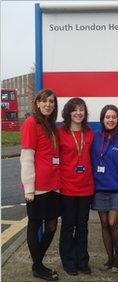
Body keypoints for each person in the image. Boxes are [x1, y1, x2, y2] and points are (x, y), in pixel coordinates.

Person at [20, 88, 60, 281]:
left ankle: (38, 263)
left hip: (54, 185)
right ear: (37, 103)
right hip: (37, 187)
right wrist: (29, 188)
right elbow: (27, 157)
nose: (48, 104)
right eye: (44, 101)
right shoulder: (31, 123)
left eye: (51, 102)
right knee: (34, 224)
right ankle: (38, 266)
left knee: (52, 226)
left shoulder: (51, 125)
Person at [91, 105, 118, 273]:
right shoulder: (95, 137)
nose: (110, 120)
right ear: (102, 119)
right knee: (103, 224)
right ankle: (109, 258)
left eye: (114, 117)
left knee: (112, 222)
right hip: (99, 188)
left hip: (117, 189)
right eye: (107, 117)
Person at [58, 97, 94, 276]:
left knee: (83, 226)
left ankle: (82, 260)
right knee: (68, 226)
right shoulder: (60, 133)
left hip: (86, 188)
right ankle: (68, 260)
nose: (78, 113)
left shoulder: (89, 133)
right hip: (67, 188)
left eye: (81, 110)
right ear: (68, 113)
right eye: (75, 110)